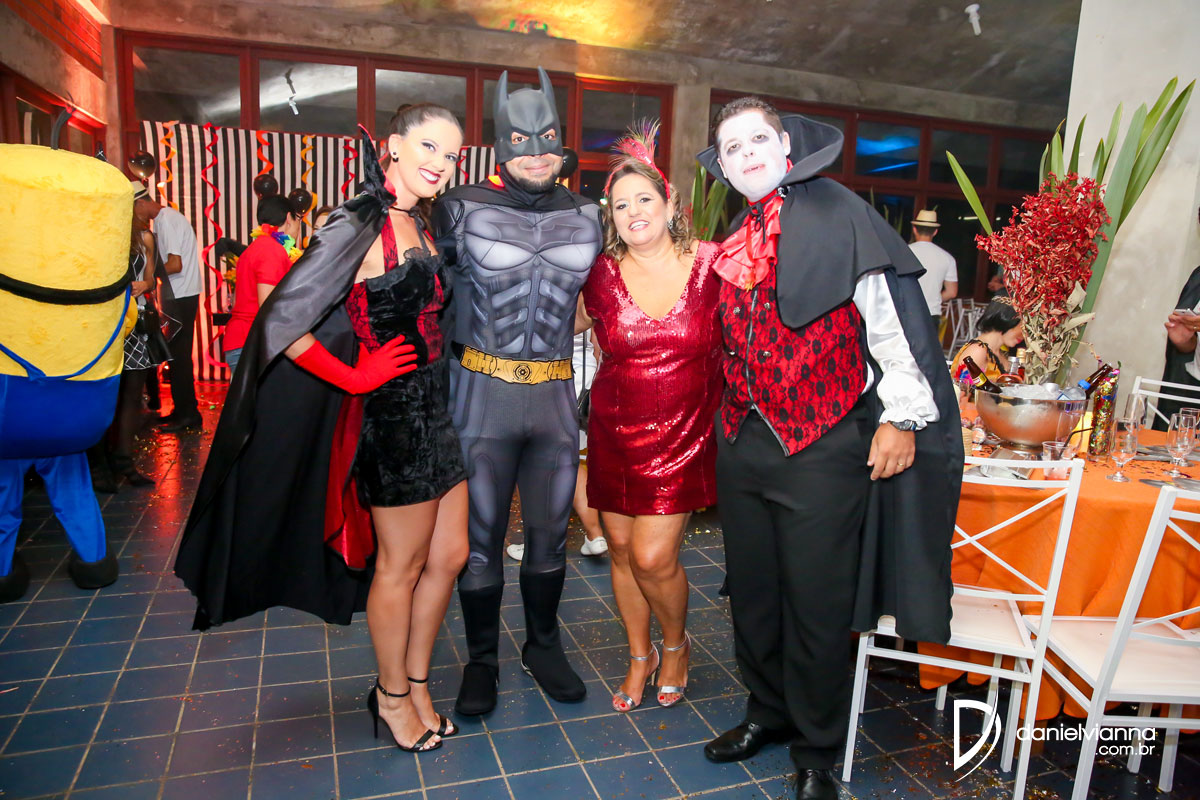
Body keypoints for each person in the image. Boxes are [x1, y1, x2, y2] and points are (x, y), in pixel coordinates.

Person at [176, 104, 469, 753]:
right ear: (393, 146)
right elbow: (280, 319)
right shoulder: (358, 222)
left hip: (438, 414)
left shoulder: (421, 221)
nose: (440, 163)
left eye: (451, 154)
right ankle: (393, 699)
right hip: (394, 422)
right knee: (401, 567)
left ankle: (418, 686)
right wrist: (355, 377)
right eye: (428, 146)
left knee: (449, 556)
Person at [696, 97, 961, 800]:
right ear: (723, 167)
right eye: (731, 147)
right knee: (754, 594)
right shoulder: (738, 232)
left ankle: (816, 749)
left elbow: (891, 326)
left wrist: (902, 418)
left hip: (820, 446)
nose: (746, 153)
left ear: (786, 147)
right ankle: (767, 712)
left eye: (757, 139)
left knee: (816, 605)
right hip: (742, 442)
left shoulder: (841, 213)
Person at [433, 67, 602, 716]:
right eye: (521, 140)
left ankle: (543, 646)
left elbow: (602, 301)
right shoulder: (460, 207)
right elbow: (430, 299)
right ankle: (481, 661)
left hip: (554, 398)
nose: (536, 152)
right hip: (480, 396)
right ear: (500, 144)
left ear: (562, 143)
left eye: (548, 139)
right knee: (478, 541)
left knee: (551, 534)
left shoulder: (587, 215)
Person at [577, 122, 723, 712]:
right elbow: (556, 325)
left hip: (685, 435)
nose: (633, 212)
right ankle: (640, 656)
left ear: (669, 203)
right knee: (618, 549)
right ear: (610, 217)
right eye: (620, 205)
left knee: (652, 556)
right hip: (613, 429)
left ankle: (676, 644)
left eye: (644, 199)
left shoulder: (714, 264)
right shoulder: (598, 274)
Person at [506, 330, 608, 562]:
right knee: (569, 461)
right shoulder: (584, 303)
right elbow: (598, 344)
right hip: (582, 381)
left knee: (528, 463)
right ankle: (595, 535)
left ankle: (536, 543)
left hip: (542, 378)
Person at [106, 201, 173, 486]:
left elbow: (150, 279)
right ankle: (102, 465)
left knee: (133, 394)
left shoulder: (144, 237)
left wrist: (143, 285)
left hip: (134, 321)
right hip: (106, 322)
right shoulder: (103, 235)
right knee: (107, 394)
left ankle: (125, 461)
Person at [134, 191, 203, 432]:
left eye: (133, 209)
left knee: (179, 357)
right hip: (182, 294)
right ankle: (182, 410)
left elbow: (175, 264)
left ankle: (188, 415)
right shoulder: (165, 218)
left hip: (181, 295)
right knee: (176, 356)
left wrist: (147, 275)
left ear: (141, 203)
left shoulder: (167, 220)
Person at [223, 195, 303, 373]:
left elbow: (236, 301)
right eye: (299, 219)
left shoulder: (258, 246)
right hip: (252, 343)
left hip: (243, 340)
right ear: (289, 218)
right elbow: (267, 306)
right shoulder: (271, 249)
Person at [948, 297, 1023, 387]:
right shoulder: (977, 351)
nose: (1024, 334)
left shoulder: (1001, 353)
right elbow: (963, 390)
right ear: (1007, 322)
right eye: (1022, 327)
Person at [908, 209, 957, 327]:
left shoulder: (903, 252)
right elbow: (952, 292)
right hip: (931, 313)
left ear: (914, 229)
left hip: (906, 312)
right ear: (935, 232)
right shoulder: (947, 258)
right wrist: (933, 298)